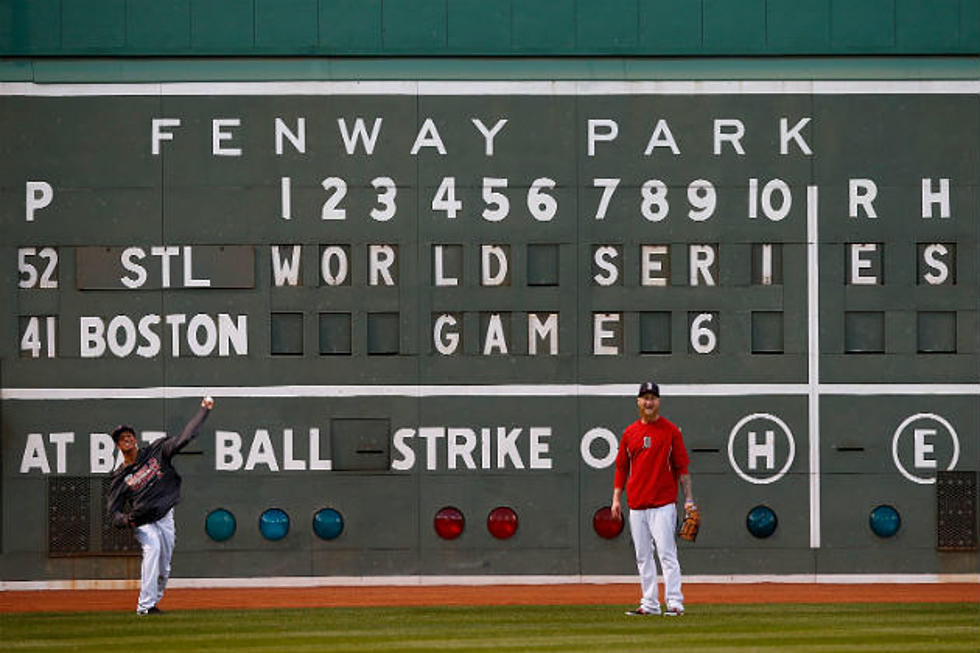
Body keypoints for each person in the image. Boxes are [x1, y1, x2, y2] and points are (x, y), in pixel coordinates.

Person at [107, 395, 215, 615]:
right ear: (118, 445)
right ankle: (144, 607)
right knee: (153, 548)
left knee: (164, 568)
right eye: (121, 438)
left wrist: (204, 410)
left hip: (164, 516)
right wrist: (126, 520)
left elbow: (186, 437)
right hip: (143, 521)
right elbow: (113, 512)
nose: (126, 439)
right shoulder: (120, 477)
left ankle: (152, 603)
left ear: (135, 440)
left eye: (129, 436)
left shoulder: (156, 451)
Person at [611, 381, 694, 617]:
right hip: (637, 504)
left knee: (667, 554)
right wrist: (616, 498)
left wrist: (689, 500)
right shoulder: (630, 433)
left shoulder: (670, 431)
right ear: (638, 401)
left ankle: (675, 602)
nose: (649, 402)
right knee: (643, 556)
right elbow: (621, 468)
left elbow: (682, 468)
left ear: (659, 401)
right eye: (645, 398)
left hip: (663, 504)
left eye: (653, 398)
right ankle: (649, 603)